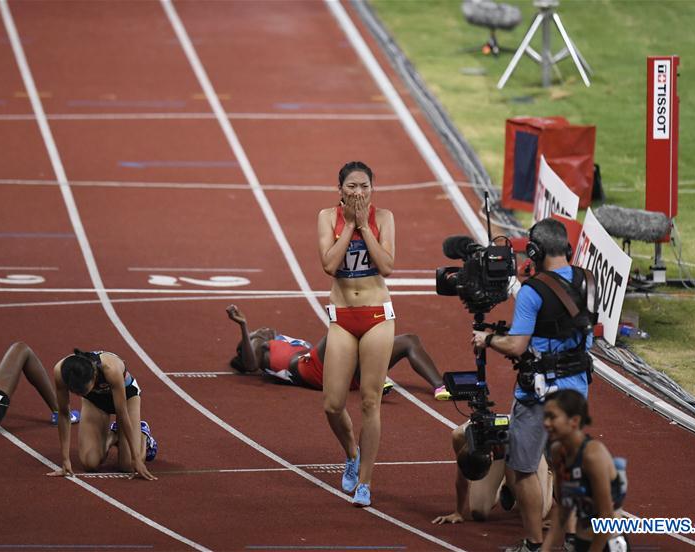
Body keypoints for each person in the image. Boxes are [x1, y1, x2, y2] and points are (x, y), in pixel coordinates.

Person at [472, 218, 597, 552]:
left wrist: (487, 339)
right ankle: (572, 539)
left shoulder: (532, 291)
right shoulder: (588, 280)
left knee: (523, 469)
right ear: (566, 247)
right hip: (577, 388)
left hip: (539, 394)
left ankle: (533, 544)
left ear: (534, 251)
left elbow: (516, 346)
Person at [317, 161, 396, 507]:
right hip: (343, 317)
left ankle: (365, 481)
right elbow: (329, 265)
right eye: (351, 186)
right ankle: (352, 452)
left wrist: (365, 226)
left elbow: (387, 266)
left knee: (369, 401)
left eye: (364, 186)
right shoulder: (326, 217)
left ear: (372, 188)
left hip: (377, 316)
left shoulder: (384, 218)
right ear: (340, 190)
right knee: (333, 404)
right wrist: (350, 225)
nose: (358, 192)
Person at [225, 304, 450, 399]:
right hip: (313, 370)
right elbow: (251, 364)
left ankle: (441, 386)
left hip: (342, 371)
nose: (262, 329)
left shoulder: (279, 339)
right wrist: (243, 326)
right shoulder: (261, 348)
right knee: (340, 329)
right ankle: (372, 376)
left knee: (409, 341)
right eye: (256, 332)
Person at [48, 349, 157, 481]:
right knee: (90, 463)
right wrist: (65, 460)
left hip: (127, 397)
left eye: (83, 390)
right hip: (95, 401)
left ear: (94, 375)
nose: (78, 394)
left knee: (128, 465)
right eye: (75, 392)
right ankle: (114, 435)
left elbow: (122, 413)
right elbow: (64, 414)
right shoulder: (60, 371)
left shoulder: (111, 369)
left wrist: (136, 458)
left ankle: (143, 434)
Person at [542, 390, 628, 552]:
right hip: (582, 542)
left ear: (574, 421)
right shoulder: (557, 452)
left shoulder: (593, 456)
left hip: (608, 544)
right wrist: (545, 548)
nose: (546, 423)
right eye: (545, 416)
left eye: (552, 417)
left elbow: (606, 516)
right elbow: (563, 507)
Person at [432, 421, 552, 525]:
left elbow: (519, 481)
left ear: (491, 456)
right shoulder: (460, 436)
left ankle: (549, 474)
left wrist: (535, 523)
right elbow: (462, 474)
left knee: (539, 513)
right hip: (498, 449)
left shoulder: (518, 438)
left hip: (524, 449)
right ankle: (503, 483)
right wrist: (458, 512)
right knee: (478, 512)